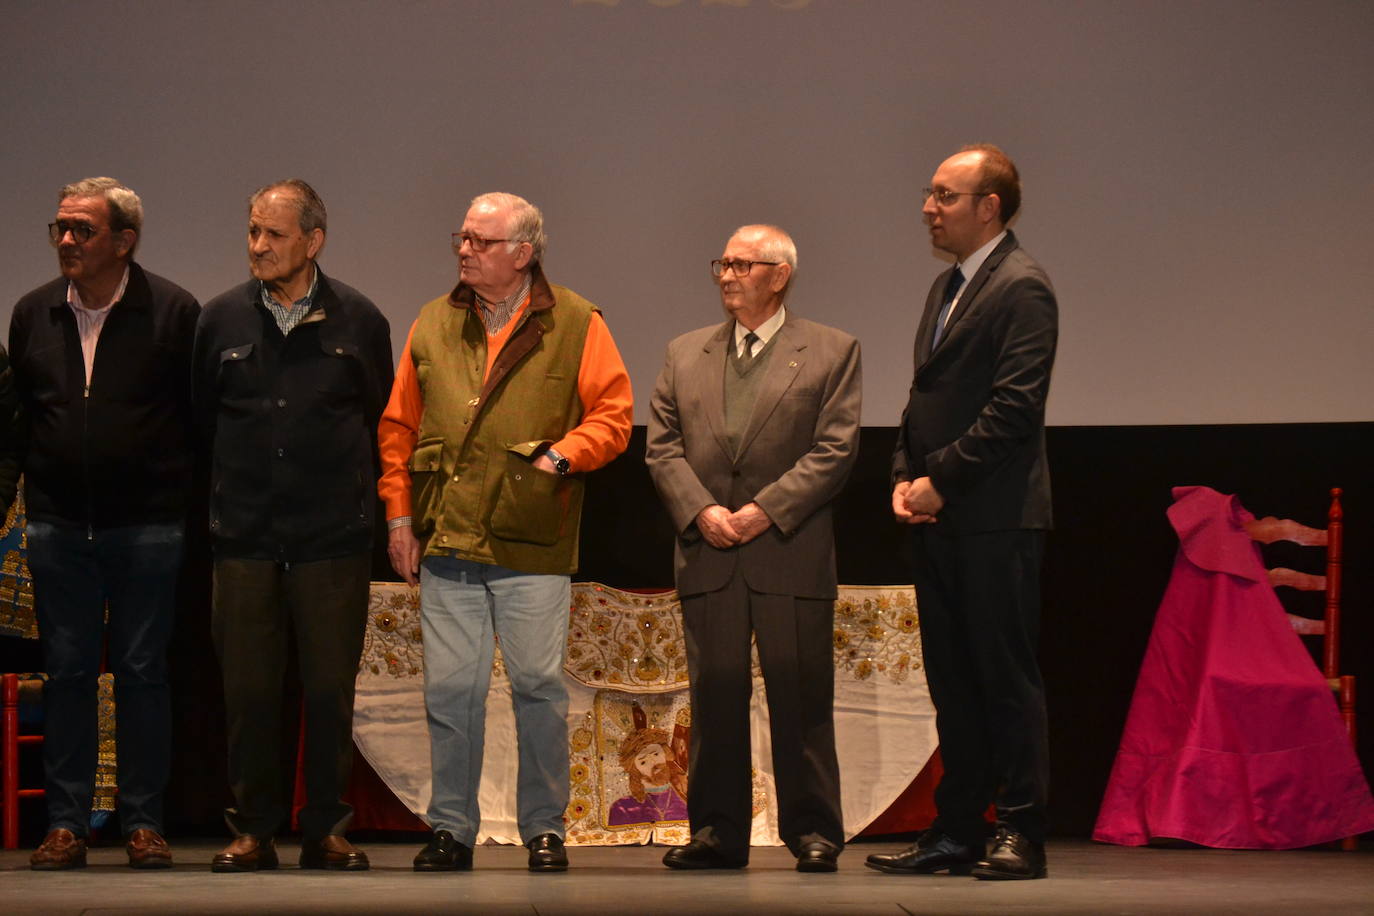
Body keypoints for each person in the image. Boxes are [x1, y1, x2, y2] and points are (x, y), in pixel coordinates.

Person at [379, 192, 632, 872]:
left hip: (531, 537)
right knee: (449, 692)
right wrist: (399, 516)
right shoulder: (434, 322)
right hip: (448, 541)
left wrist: (562, 455)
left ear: (522, 254)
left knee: (539, 689)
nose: (463, 249)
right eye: (460, 237)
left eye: (480, 241)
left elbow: (614, 414)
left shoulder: (577, 321)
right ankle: (451, 830)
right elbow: (398, 428)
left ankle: (544, 828)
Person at [865, 145, 1057, 880]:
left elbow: (1015, 409)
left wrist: (939, 480)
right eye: (929, 192)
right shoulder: (947, 288)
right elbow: (924, 403)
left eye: (945, 195)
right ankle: (957, 830)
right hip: (940, 516)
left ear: (990, 208)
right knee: (953, 681)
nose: (928, 207)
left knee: (1003, 678)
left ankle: (1020, 829)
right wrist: (903, 475)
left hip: (996, 518)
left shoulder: (1023, 286)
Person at [645, 224, 860, 873]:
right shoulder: (685, 352)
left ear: (780, 274)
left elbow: (836, 448)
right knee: (715, 695)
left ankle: (814, 831)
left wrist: (765, 510)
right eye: (723, 263)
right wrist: (702, 509)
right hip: (710, 552)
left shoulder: (830, 350)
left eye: (742, 264)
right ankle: (716, 831)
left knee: (801, 695)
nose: (727, 275)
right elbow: (662, 446)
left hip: (788, 551)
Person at [194, 179, 393, 872]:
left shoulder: (358, 320)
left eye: (273, 235)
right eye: (252, 232)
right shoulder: (219, 320)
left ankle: (326, 829)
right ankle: (251, 829)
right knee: (248, 692)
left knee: (331, 689)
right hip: (245, 538)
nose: (258, 247)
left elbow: (377, 419)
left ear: (313, 240)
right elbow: (201, 421)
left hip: (331, 540)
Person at [9, 177, 199, 870]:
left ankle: (143, 821)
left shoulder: (174, 312)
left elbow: (195, 422)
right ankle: (67, 823)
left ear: (124, 241)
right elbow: (25, 419)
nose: (66, 241)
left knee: (143, 671)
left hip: (147, 525)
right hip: (58, 525)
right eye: (59, 227)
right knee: (66, 674)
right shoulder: (32, 313)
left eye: (81, 230)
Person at [608, 726, 689, 827]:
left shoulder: (684, 797)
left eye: (656, 754)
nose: (653, 762)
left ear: (666, 754)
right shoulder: (622, 808)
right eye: (643, 762)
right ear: (636, 770)